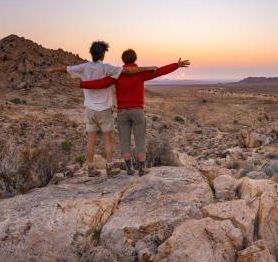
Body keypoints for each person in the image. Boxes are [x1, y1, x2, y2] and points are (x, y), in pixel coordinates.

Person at [48, 41, 156, 177]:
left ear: (91, 53)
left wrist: (54, 70)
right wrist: (148, 68)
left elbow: (67, 68)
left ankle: (91, 168)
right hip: (104, 109)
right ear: (103, 54)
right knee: (107, 139)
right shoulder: (107, 68)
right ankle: (110, 167)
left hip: (89, 109)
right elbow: (128, 70)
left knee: (91, 140)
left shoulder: (83, 67)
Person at [76, 49, 190, 176]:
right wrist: (176, 65)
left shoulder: (117, 74)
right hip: (137, 111)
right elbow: (159, 71)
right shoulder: (140, 73)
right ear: (135, 59)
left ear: (123, 60)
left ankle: (129, 168)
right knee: (140, 140)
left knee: (125, 141)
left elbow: (101, 83)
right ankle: (142, 168)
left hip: (122, 112)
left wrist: (82, 84)